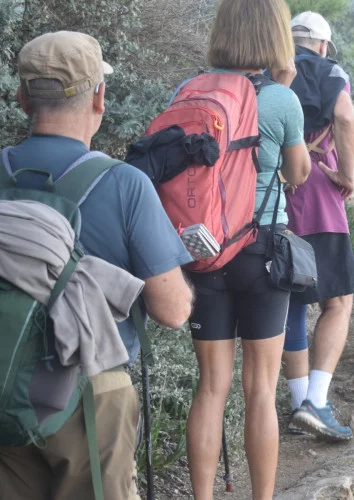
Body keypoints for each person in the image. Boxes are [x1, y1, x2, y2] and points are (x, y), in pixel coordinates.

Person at [0, 31, 193, 499]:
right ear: (99, 97)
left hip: (4, 378)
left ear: (23, 97)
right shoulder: (125, 184)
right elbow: (172, 311)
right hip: (88, 392)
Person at [183, 0, 311, 498]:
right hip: (262, 251)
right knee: (260, 390)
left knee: (210, 387)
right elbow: (298, 173)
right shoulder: (280, 99)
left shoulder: (190, 91)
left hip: (205, 247)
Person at [281, 11, 354, 441]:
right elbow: (346, 119)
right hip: (317, 194)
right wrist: (347, 174)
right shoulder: (327, 71)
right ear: (324, 44)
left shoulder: (270, 68)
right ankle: (315, 401)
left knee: (291, 299)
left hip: (272, 196)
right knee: (338, 301)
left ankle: (298, 404)